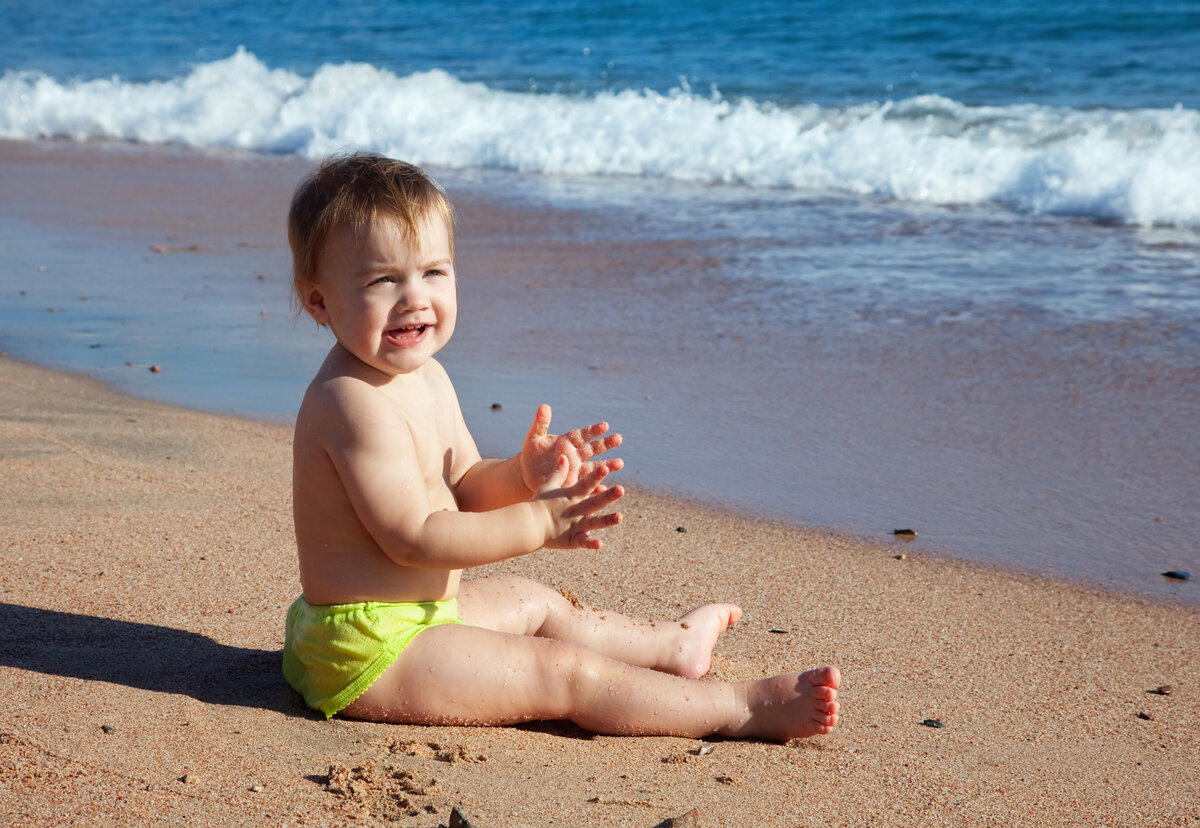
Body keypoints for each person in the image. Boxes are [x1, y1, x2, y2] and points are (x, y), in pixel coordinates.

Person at [281, 153, 840, 741]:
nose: (415, 298)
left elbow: (466, 484)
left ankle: (672, 644)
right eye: (382, 279)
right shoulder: (352, 403)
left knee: (537, 602)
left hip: (419, 615)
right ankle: (737, 709)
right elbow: (413, 537)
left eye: (434, 272)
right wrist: (537, 524)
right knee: (564, 673)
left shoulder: (427, 377)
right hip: (367, 651)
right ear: (319, 300)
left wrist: (522, 476)